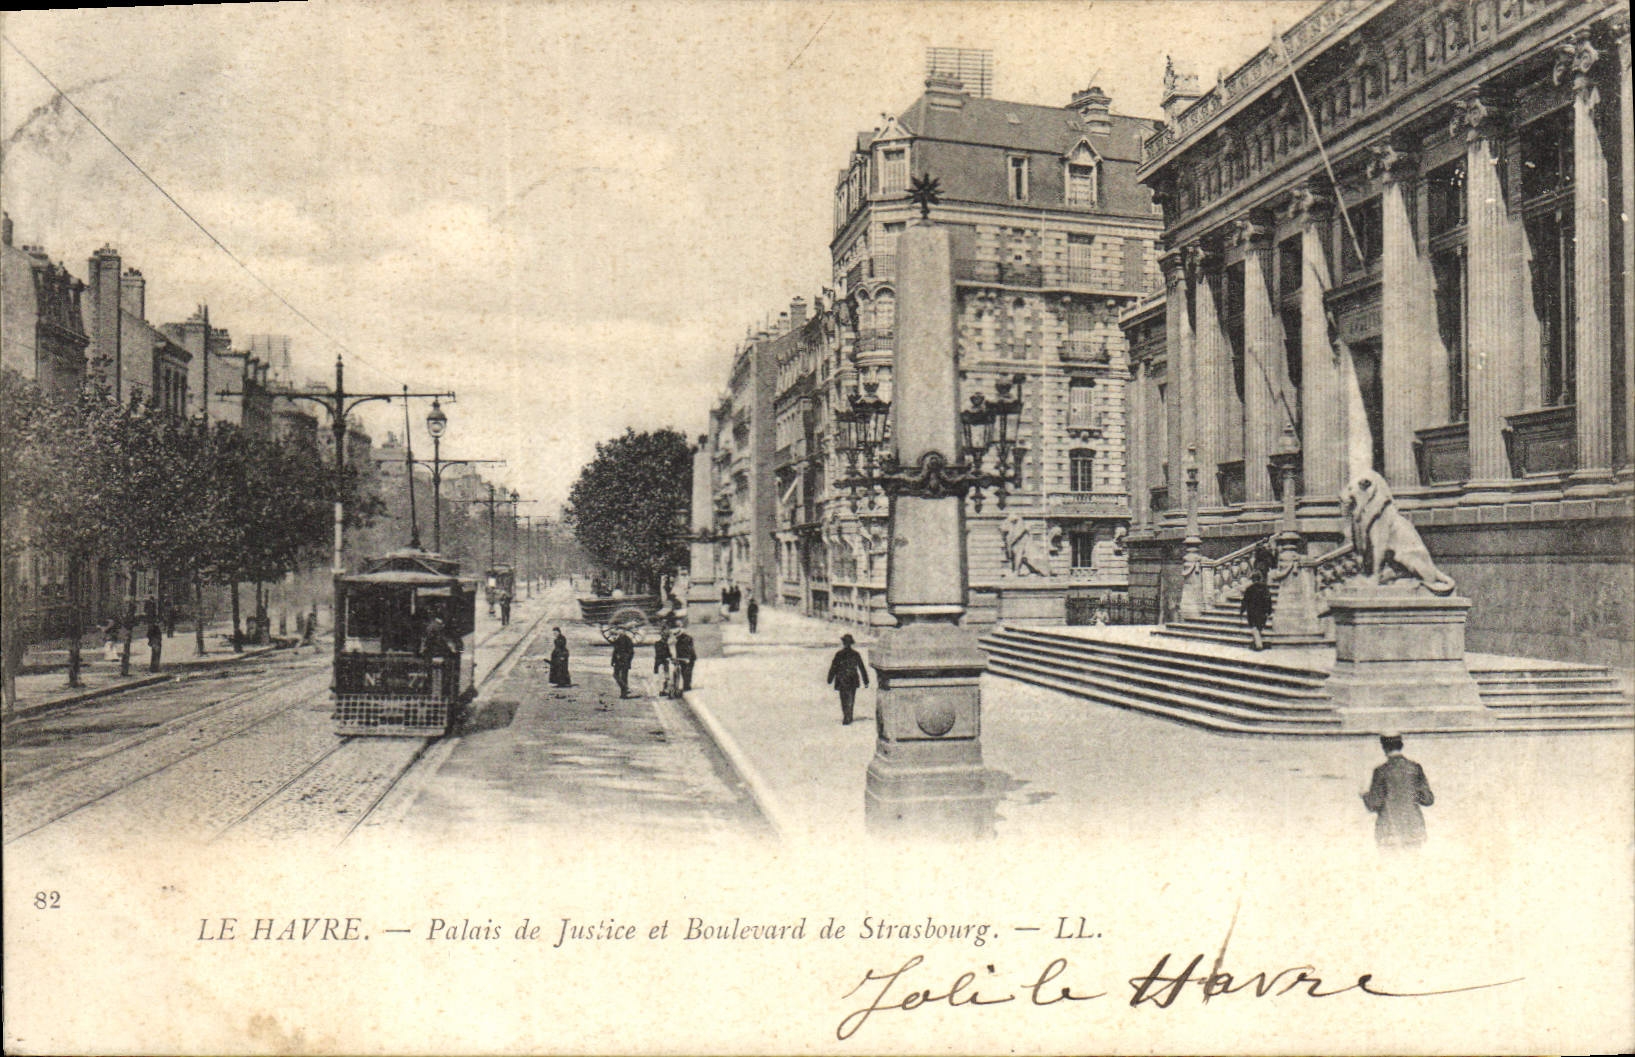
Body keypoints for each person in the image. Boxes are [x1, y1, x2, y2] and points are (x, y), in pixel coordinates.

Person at [1362, 734, 1435, 849]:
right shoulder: (1415, 768)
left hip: (1389, 831)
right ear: (1401, 745)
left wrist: (1365, 795)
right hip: (1413, 829)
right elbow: (1428, 800)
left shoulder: (1381, 771)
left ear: (1384, 747)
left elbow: (1374, 804)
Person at [826, 633, 869, 725]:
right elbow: (861, 668)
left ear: (844, 643)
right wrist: (866, 681)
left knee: (843, 698)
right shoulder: (856, 654)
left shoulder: (839, 654)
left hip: (842, 679)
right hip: (852, 678)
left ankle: (846, 715)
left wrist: (830, 679)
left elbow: (834, 667)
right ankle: (849, 715)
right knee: (851, 697)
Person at [1240, 570, 1274, 651]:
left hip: (1252, 612)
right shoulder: (1265, 588)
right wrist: (1269, 611)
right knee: (1259, 627)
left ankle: (1258, 645)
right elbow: (1268, 600)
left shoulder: (1249, 588)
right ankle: (1256, 643)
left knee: (1254, 627)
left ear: (1252, 579)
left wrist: (1242, 610)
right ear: (1260, 578)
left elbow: (1245, 601)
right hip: (1262, 612)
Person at [610, 629, 635, 698]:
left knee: (620, 676)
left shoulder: (626, 640)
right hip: (620, 661)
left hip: (623, 661)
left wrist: (627, 659)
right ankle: (625, 689)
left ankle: (624, 694)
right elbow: (615, 651)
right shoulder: (622, 639)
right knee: (620, 676)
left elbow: (631, 652)